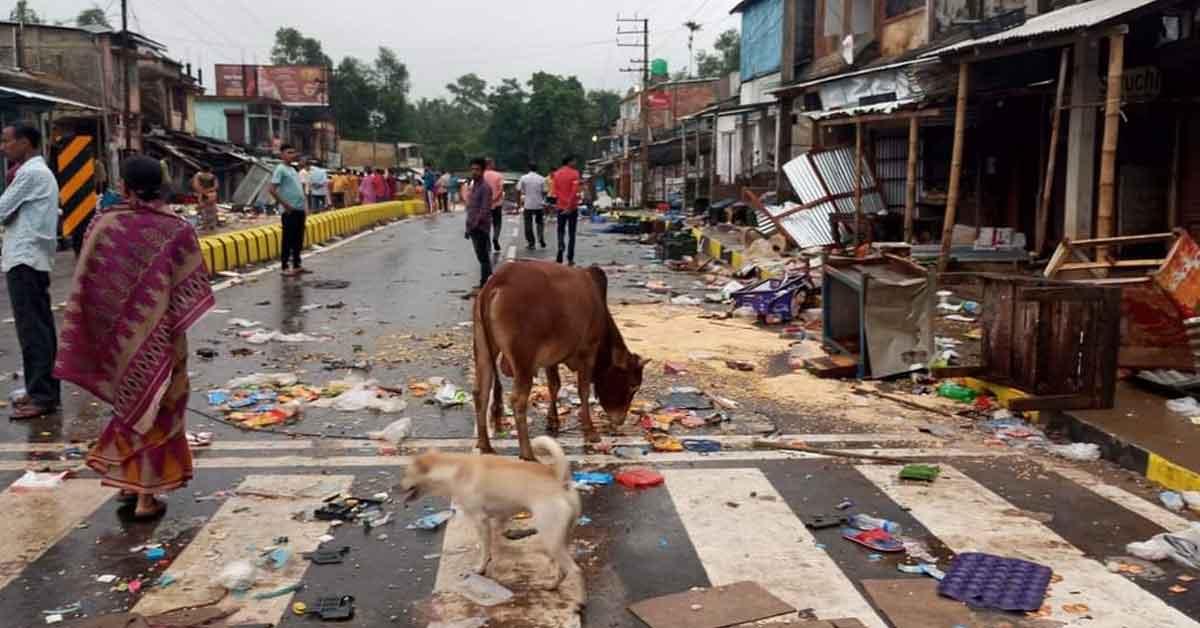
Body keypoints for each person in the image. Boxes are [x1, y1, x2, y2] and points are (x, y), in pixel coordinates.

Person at [54, 155, 215, 519]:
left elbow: (87, 286)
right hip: (165, 339)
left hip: (118, 341)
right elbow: (189, 285)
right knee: (161, 407)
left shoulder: (104, 225)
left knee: (129, 405)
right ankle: (146, 497)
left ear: (123, 188)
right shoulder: (177, 230)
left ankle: (129, 485)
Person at [0, 123, 61, 419]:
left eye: (7, 141)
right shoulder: (38, 171)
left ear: (25, 142)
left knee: (32, 331)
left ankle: (42, 396)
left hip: (24, 259)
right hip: (32, 258)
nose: (3, 147)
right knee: (42, 328)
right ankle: (44, 389)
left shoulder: (30, 173)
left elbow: (1, 210)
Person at [269, 145, 308, 276]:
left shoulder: (293, 169)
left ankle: (297, 265)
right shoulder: (280, 169)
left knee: (298, 239)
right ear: (282, 155)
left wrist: (305, 207)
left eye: (293, 152)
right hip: (289, 211)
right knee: (288, 239)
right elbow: (272, 190)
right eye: (289, 152)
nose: (292, 155)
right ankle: (285, 267)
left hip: (299, 209)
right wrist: (286, 205)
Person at [464, 157, 493, 288]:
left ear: (483, 171)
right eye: (472, 169)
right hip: (473, 227)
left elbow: (485, 209)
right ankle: (488, 281)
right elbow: (471, 207)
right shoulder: (475, 185)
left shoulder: (485, 187)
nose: (474, 172)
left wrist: (474, 225)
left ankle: (485, 283)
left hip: (480, 227)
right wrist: (468, 227)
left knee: (483, 257)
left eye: (477, 169)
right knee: (481, 256)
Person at [551, 155, 581, 265]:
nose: (575, 162)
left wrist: (562, 203)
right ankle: (570, 257)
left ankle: (560, 247)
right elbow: (574, 191)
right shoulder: (575, 173)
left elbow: (555, 191)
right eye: (574, 160)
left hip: (560, 206)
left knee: (560, 230)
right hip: (572, 207)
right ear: (569, 162)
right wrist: (569, 205)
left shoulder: (556, 174)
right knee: (572, 233)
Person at [517, 162, 547, 249]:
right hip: (539, 204)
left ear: (528, 168)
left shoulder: (524, 178)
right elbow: (545, 191)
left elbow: (518, 190)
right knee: (540, 223)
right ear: (537, 169)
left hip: (528, 204)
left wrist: (518, 204)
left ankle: (531, 242)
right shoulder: (542, 178)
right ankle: (540, 237)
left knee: (528, 224)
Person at [483, 158, 504, 251]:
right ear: (491, 164)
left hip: (484, 204)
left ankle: (487, 244)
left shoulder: (481, 175)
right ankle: (495, 238)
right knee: (497, 223)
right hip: (497, 204)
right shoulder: (498, 175)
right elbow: (500, 190)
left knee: (485, 224)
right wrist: (495, 198)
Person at [191, 165, 219, 231]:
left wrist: (203, 191)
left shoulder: (198, 176)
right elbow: (216, 186)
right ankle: (212, 225)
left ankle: (205, 226)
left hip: (203, 194)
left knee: (204, 210)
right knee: (212, 210)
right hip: (212, 194)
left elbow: (196, 186)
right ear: (210, 169)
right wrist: (209, 190)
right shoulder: (213, 176)